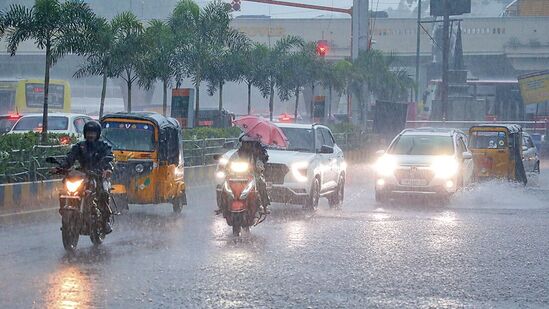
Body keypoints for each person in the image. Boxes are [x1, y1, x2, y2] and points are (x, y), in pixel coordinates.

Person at [60, 121, 114, 234]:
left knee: (103, 193)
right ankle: (65, 212)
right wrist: (62, 167)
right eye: (89, 132)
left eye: (93, 133)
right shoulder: (79, 146)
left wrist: (105, 169)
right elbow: (70, 158)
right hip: (83, 174)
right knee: (64, 188)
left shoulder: (103, 146)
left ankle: (105, 221)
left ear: (97, 134)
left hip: (98, 174)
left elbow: (108, 157)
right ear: (85, 133)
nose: (90, 135)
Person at [231, 134, 271, 214]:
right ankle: (223, 206)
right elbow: (229, 163)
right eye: (245, 143)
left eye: (249, 143)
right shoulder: (236, 154)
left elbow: (261, 165)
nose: (247, 145)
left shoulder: (257, 154)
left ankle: (263, 205)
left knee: (261, 183)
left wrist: (257, 167)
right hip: (236, 177)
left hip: (253, 176)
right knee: (224, 186)